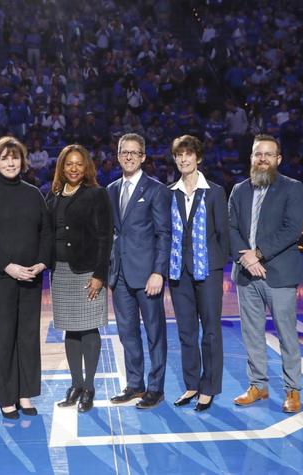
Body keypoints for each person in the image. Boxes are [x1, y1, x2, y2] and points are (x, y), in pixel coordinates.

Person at [0, 136, 52, 419]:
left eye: (14, 157)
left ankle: (25, 394)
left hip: (30, 276)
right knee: (4, 338)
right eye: (4, 158)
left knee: (28, 337)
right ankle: (6, 397)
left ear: (23, 161)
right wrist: (7, 266)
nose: (10, 162)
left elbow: (46, 232)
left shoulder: (33, 193)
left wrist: (41, 263)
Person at [228, 134, 303, 413]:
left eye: (268, 154)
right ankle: (258, 385)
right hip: (246, 275)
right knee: (251, 333)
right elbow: (231, 228)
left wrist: (257, 254)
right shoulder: (239, 190)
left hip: (279, 273)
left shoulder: (292, 188)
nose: (262, 159)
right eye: (257, 154)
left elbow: (292, 229)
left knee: (286, 334)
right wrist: (247, 260)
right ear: (251, 157)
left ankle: (293, 390)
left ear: (278, 159)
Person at [46, 145, 113, 413]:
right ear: (61, 167)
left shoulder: (97, 194)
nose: (74, 169)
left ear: (87, 168)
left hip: (87, 271)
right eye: (68, 164)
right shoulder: (52, 196)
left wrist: (100, 274)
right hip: (60, 271)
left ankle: (89, 387)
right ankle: (75, 385)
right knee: (69, 328)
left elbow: (105, 237)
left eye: (79, 164)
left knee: (88, 329)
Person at [107, 133, 171, 409]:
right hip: (119, 274)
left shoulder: (156, 190)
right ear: (119, 155)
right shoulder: (111, 189)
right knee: (127, 333)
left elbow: (164, 234)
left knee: (155, 332)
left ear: (143, 156)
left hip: (147, 276)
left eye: (135, 152)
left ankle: (155, 387)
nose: (129, 157)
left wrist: (159, 272)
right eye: (125, 152)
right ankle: (135, 384)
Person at [167, 135, 229, 412]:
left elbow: (223, 234)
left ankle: (209, 387)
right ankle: (191, 384)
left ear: (198, 157)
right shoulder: (170, 192)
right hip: (179, 272)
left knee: (211, 331)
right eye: (179, 155)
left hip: (209, 271)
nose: (183, 159)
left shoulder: (214, 191)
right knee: (186, 332)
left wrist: (214, 264)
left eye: (188, 154)